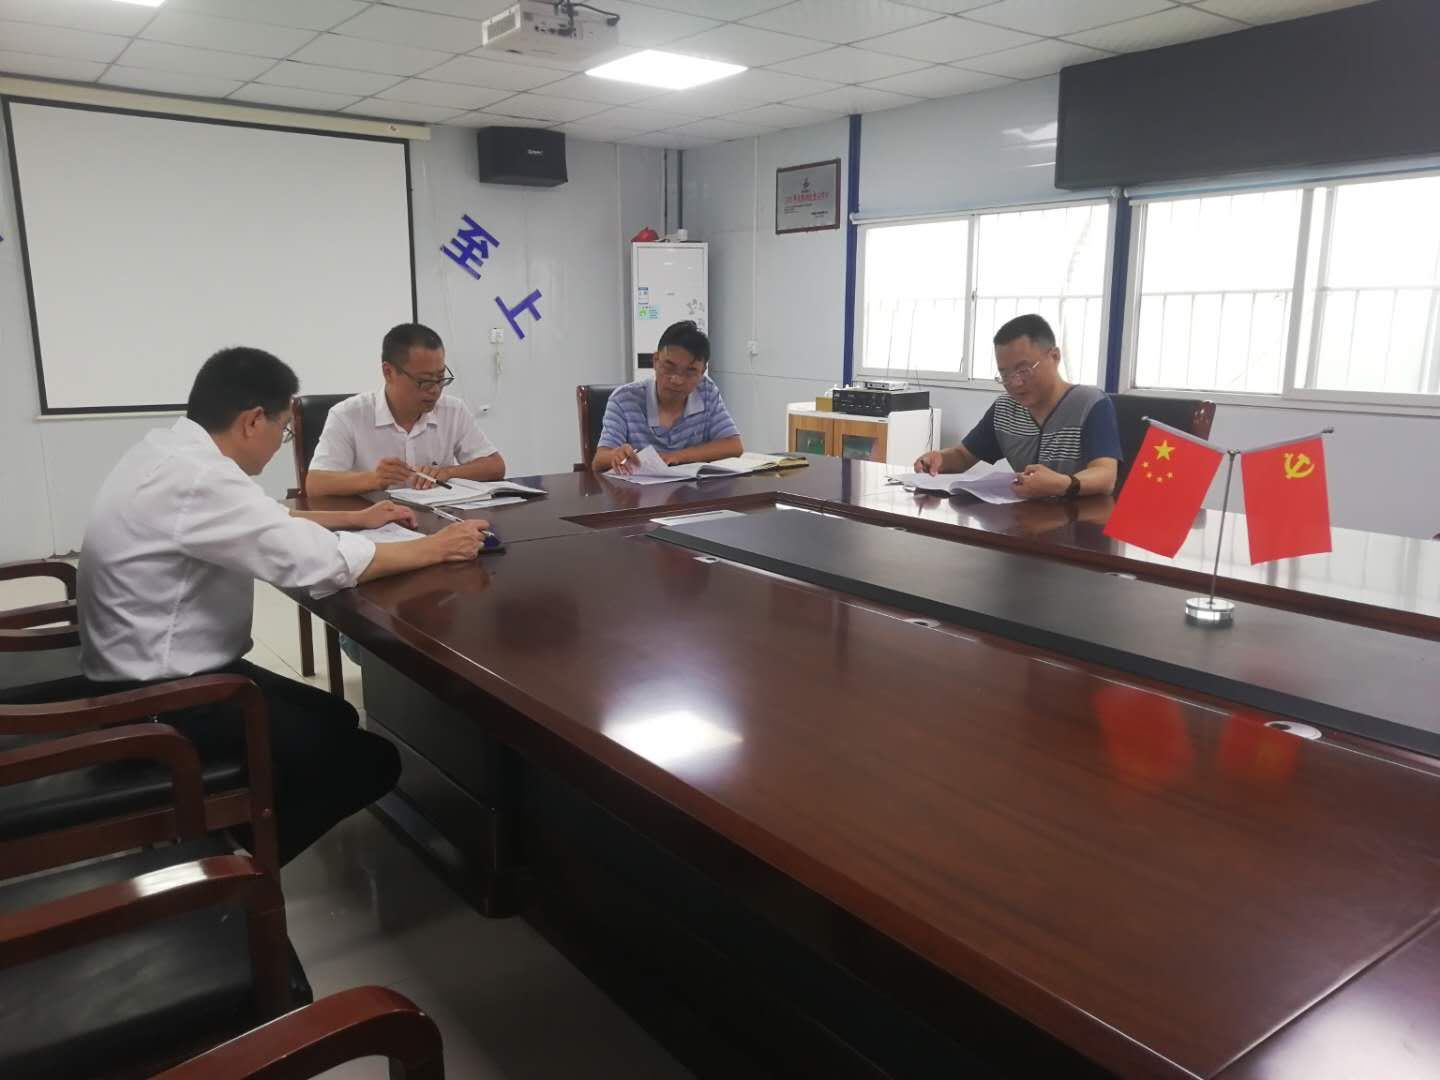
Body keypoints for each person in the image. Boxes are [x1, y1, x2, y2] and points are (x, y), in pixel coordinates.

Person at [76, 346, 491, 865]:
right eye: (284, 429)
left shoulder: (169, 452)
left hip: (140, 671)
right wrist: (436, 547)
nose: (281, 442)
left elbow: (261, 519)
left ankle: (241, 826)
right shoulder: (201, 480)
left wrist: (355, 519)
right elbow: (318, 564)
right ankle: (233, 867)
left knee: (336, 716)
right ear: (253, 421)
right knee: (371, 760)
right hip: (164, 697)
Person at [914, 314, 1121, 499]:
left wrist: (1061, 484)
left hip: (1082, 521)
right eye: (1005, 375)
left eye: (1024, 370)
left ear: (1055, 357)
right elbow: (962, 456)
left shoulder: (1089, 403)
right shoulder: (1005, 409)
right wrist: (939, 459)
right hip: (1026, 519)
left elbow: (1105, 476)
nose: (1015, 382)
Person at [306, 323, 504, 495]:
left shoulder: (452, 410)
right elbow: (315, 484)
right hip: (375, 521)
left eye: (440, 377)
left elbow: (495, 466)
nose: (435, 390)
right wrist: (373, 479)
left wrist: (448, 472)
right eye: (424, 380)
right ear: (388, 372)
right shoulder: (348, 415)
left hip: (438, 519)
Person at [593, 320, 742, 474]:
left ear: (702, 372)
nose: (677, 380)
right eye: (669, 367)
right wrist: (615, 455)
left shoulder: (706, 391)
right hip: (638, 488)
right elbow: (599, 461)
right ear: (655, 361)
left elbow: (733, 446)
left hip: (692, 487)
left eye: (690, 371)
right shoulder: (624, 400)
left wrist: (677, 456)